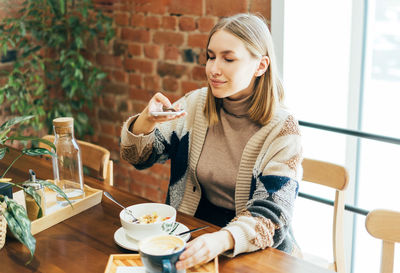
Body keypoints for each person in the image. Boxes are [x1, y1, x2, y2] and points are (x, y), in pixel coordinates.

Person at [120, 13, 302, 270]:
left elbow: (272, 215)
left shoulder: (283, 129)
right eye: (211, 56)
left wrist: (221, 239)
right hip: (190, 236)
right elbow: (137, 158)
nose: (213, 69)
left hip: (255, 249)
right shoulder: (195, 104)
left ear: (261, 66)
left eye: (228, 59)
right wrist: (147, 121)